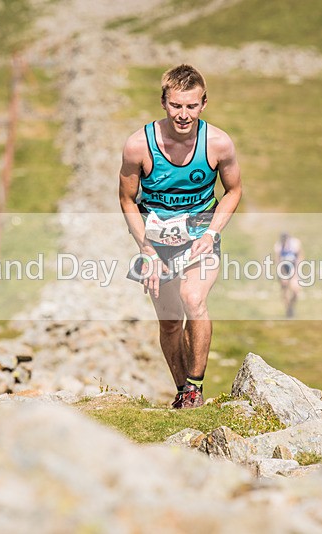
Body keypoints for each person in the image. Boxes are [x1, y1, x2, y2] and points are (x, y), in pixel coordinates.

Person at [119, 64, 242, 409]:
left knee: (193, 299)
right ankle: (183, 392)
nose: (183, 115)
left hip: (202, 236)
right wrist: (145, 248)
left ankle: (195, 387)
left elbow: (234, 191)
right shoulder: (137, 145)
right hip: (156, 243)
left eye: (191, 106)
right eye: (176, 105)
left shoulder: (218, 143)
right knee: (171, 322)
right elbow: (126, 199)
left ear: (204, 104)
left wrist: (213, 232)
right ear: (163, 102)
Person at [274, 232, 302, 318]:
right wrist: (282, 274)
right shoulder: (278, 246)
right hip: (283, 268)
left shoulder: (295, 244)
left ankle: (291, 306)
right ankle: (288, 310)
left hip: (293, 267)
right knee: (285, 289)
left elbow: (300, 257)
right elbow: (278, 261)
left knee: (296, 291)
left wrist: (296, 272)